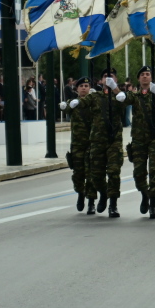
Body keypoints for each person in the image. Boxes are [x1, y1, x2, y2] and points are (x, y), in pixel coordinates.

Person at [118, 65, 155, 219]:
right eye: (142, 74)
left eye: (148, 74)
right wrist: (116, 90)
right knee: (139, 173)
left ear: (151, 78)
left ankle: (153, 204)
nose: (145, 76)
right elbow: (124, 99)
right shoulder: (135, 96)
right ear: (138, 79)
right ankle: (145, 194)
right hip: (138, 139)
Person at [79, 68, 126, 217]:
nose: (108, 78)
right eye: (105, 76)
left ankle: (113, 204)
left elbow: (126, 103)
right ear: (100, 80)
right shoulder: (95, 96)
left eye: (111, 76)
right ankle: (104, 193)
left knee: (114, 172)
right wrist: (72, 102)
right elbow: (82, 102)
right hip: (98, 141)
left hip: (114, 141)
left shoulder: (120, 96)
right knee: (96, 175)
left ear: (116, 80)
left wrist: (115, 89)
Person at [59, 77, 94, 213]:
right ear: (77, 89)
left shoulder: (93, 102)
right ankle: (80, 193)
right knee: (78, 173)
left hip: (91, 143)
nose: (84, 88)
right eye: (81, 86)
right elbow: (66, 108)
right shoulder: (72, 103)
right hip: (77, 144)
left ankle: (91, 201)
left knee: (91, 173)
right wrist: (64, 106)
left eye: (86, 86)